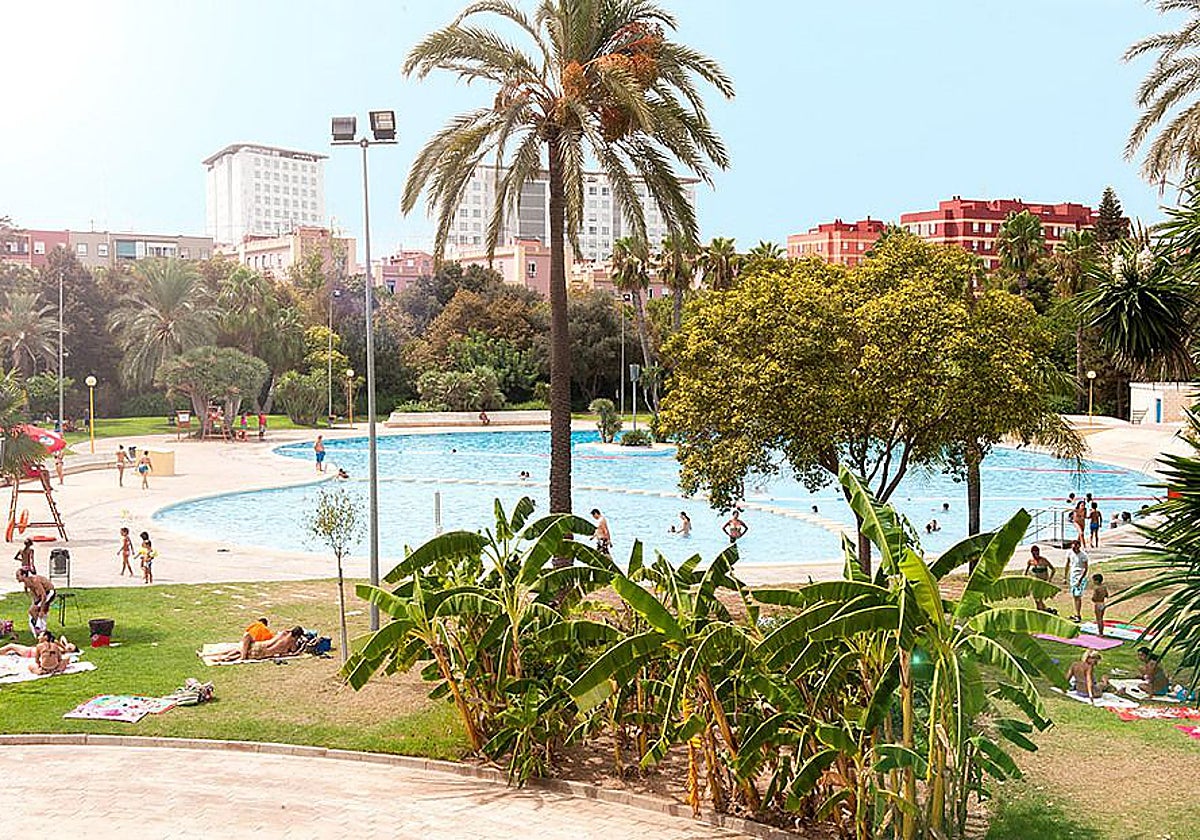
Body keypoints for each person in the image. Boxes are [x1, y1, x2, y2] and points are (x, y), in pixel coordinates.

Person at [214, 625, 305, 662]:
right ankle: (230, 658)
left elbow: (287, 630)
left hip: (259, 645)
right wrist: (302, 647)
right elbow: (294, 652)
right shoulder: (292, 643)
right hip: (262, 653)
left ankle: (227, 656)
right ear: (297, 636)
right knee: (244, 654)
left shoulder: (283, 633)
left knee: (244, 643)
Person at [18, 568, 55, 636]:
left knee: (35, 611)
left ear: (24, 575)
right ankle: (41, 629)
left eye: (18, 575)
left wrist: (41, 609)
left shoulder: (35, 581)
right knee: (33, 611)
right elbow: (34, 595)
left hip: (49, 593)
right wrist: (35, 602)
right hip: (42, 595)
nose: (17, 578)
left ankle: (41, 630)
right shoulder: (27, 583)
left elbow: (43, 595)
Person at [1024, 545, 1056, 611]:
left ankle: (1042, 610)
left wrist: (1049, 580)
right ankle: (1045, 609)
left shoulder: (1044, 560)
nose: (1036, 554)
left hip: (1043, 582)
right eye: (1034, 553)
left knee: (1039, 598)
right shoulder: (1030, 561)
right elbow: (1025, 572)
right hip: (1034, 582)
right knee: (1036, 599)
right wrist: (1025, 580)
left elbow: (1053, 570)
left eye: (1037, 553)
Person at [1065, 539, 1089, 622]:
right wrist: (1065, 577)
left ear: (1079, 546)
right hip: (1073, 576)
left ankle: (1078, 615)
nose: (1074, 548)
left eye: (1076, 546)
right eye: (1073, 546)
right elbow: (1068, 564)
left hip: (1080, 577)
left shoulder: (1083, 555)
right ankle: (1076, 614)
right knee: (1074, 596)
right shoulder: (1069, 553)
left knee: (1078, 596)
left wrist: (1080, 579)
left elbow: (1086, 569)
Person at [0, 633, 76, 658]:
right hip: (31, 651)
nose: (68, 645)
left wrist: (64, 647)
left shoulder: (61, 650)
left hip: (30, 652)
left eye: (69, 647)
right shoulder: (61, 647)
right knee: (8, 652)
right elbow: (62, 637)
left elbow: (57, 641)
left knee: (11, 646)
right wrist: (66, 644)